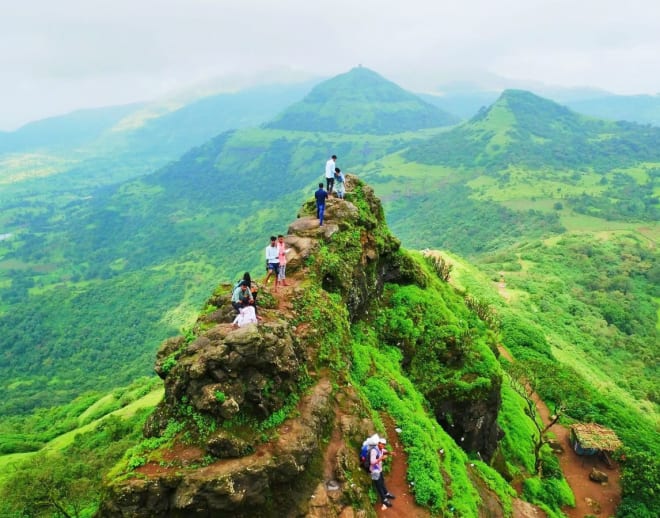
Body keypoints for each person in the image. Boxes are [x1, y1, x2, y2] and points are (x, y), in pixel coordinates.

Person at [370, 436, 395, 510]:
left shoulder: (381, 449)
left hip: (379, 470)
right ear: (379, 443)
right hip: (374, 471)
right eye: (382, 444)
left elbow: (384, 451)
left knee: (382, 482)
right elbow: (372, 462)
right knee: (379, 485)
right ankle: (384, 499)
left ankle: (386, 493)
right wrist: (381, 458)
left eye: (384, 444)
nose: (383, 446)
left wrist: (390, 453)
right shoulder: (374, 451)